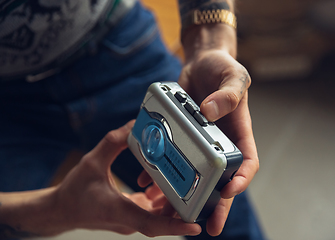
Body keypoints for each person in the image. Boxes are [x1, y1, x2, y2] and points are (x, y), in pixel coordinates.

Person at [0, 0, 264, 239]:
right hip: (8, 101)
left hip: (117, 37)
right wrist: (56, 209)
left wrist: (210, 43)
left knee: (224, 214)